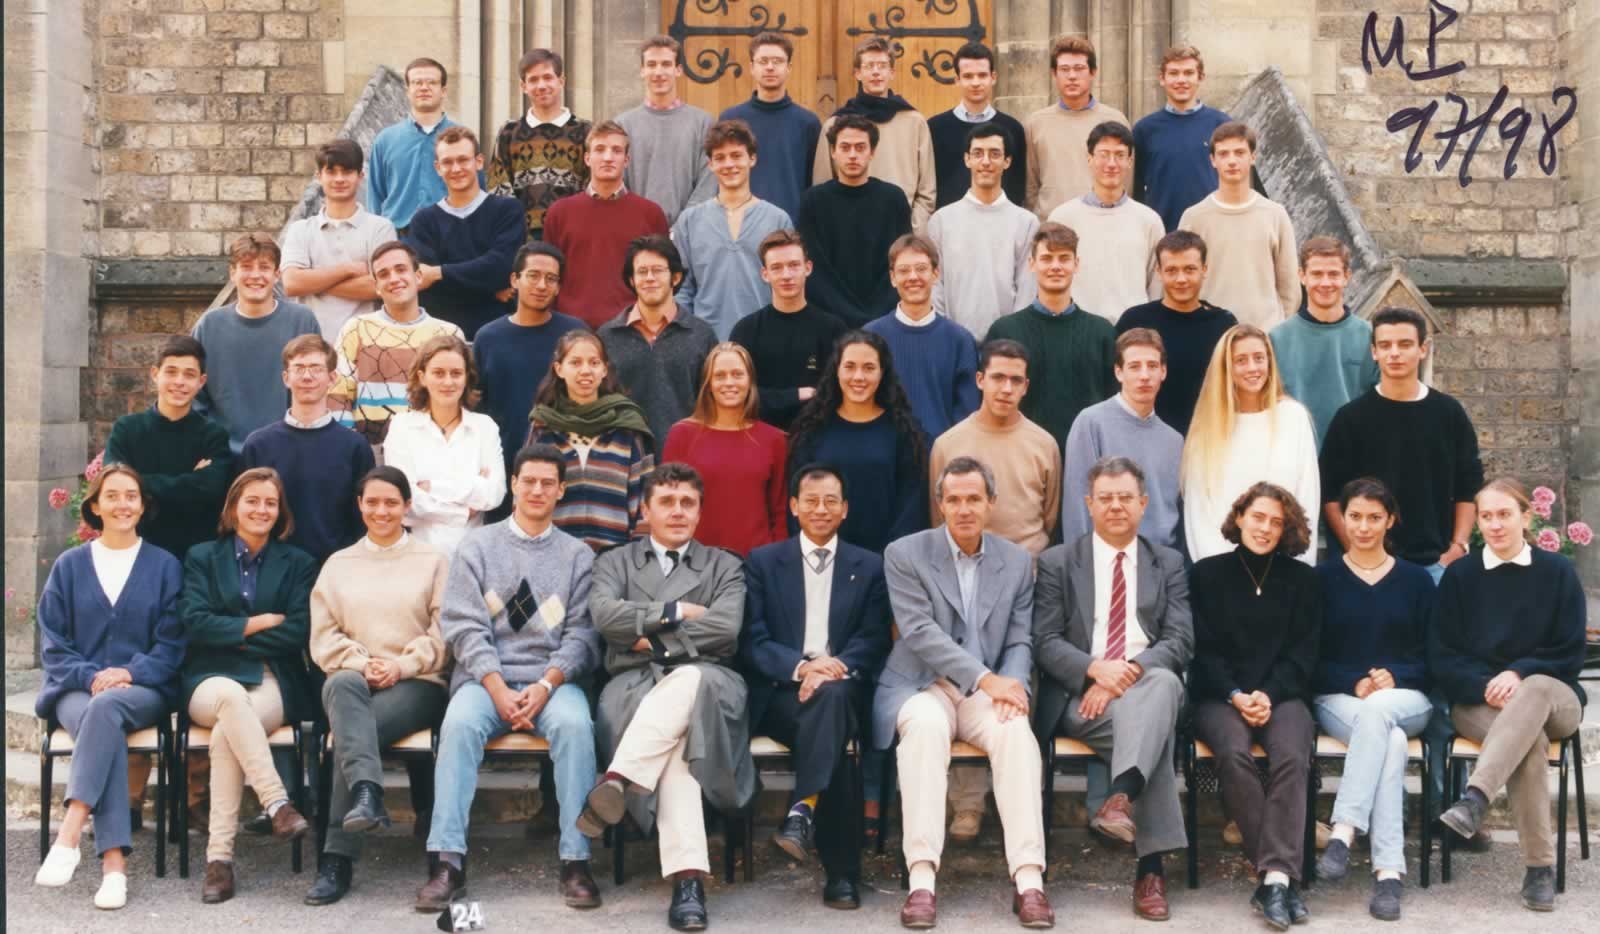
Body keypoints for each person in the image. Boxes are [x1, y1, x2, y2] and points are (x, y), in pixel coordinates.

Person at [414, 445, 605, 912]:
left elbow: (582, 635)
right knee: (459, 726)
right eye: (528, 481)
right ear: (514, 485)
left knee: (576, 727)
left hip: (552, 683)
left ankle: (576, 860)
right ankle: (447, 862)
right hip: (485, 682)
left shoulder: (578, 556)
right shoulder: (477, 547)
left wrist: (546, 685)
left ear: (561, 490)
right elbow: (463, 625)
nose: (537, 490)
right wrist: (496, 686)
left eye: (547, 483)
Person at [876, 457, 1053, 929]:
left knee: (1016, 733)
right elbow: (919, 632)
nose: (964, 508)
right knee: (924, 730)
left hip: (985, 691)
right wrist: (987, 679)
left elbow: (1020, 639)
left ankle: (1029, 880)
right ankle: (921, 880)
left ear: (992, 503)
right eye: (953, 499)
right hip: (922, 683)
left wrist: (1013, 689)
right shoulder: (904, 553)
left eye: (974, 498)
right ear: (940, 504)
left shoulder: (1016, 562)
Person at [578, 464, 754, 932]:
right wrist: (677, 610)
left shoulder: (724, 564)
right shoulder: (614, 562)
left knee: (690, 679)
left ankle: (619, 778)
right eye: (667, 502)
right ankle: (687, 882)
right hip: (634, 685)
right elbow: (605, 617)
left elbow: (726, 628)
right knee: (677, 746)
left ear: (700, 512)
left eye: (688, 503)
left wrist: (647, 638)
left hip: (711, 682)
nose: (678, 512)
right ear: (645, 511)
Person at [1033, 455, 1193, 921]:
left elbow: (1180, 640)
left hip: (1148, 683)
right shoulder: (1058, 562)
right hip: (1083, 699)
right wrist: (1095, 671)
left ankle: (1121, 797)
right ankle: (1150, 870)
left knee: (1161, 684)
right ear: (1089, 504)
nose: (1116, 506)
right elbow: (1044, 641)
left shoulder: (1168, 563)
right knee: (1156, 732)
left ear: (1143, 503)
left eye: (1126, 497)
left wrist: (1128, 673)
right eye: (1106, 498)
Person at [740, 462, 892, 908]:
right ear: (793, 506)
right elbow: (753, 640)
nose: (821, 509)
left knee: (835, 702)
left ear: (845, 509)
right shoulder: (763, 562)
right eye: (811, 501)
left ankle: (802, 808)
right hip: (781, 694)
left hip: (842, 685)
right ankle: (841, 874)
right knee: (836, 738)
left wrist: (833, 667)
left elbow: (874, 638)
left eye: (830, 501)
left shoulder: (869, 565)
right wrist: (803, 669)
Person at [32, 465, 185, 909]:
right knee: (103, 720)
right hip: (74, 689)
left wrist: (128, 673)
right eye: (112, 496)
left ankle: (71, 830)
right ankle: (113, 867)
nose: (123, 504)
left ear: (142, 505)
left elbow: (172, 643)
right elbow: (53, 644)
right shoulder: (69, 566)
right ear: (95, 506)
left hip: (143, 688)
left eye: (131, 495)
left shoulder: (164, 566)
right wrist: (90, 677)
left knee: (107, 710)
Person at [1433, 478, 1588, 913]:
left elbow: (1571, 652)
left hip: (1554, 696)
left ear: (1526, 516)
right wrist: (1488, 685)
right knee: (1528, 741)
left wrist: (1519, 673)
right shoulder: (1461, 576)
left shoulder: (1557, 572)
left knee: (1533, 689)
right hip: (1479, 702)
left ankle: (1475, 798)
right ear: (1478, 522)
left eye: (1505, 514)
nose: (1496, 524)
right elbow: (1442, 655)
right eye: (1486, 516)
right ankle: (1539, 870)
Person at [303, 466, 450, 906]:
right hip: (355, 680)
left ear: (407, 506)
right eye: (372, 502)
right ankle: (366, 794)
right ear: (359, 505)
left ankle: (336, 858)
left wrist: (401, 666)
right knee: (341, 685)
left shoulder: (433, 561)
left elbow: (445, 633)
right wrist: (362, 663)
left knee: (350, 734)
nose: (381, 511)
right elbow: (323, 637)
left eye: (391, 502)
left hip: (417, 683)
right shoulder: (338, 564)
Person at [178, 467, 318, 904]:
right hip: (209, 678)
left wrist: (232, 634)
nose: (261, 510)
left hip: (271, 676)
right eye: (252, 501)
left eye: (270, 503)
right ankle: (277, 803)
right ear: (233, 507)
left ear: (281, 512)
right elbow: (195, 623)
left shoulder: (298, 563)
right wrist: (257, 623)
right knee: (229, 698)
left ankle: (219, 860)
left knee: (228, 731)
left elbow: (296, 631)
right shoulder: (202, 556)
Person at [1189, 482, 1321, 930]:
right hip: (1220, 696)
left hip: (1282, 695)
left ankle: (1274, 880)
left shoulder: (1303, 580)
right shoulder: (1206, 574)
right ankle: (1278, 877)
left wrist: (1268, 694)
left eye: (1276, 522)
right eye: (1258, 517)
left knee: (1292, 756)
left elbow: (1304, 653)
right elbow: (1202, 652)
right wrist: (1235, 694)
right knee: (1232, 753)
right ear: (1240, 516)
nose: (1265, 528)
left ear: (1287, 530)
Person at [1310, 477, 1436, 921]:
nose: (1363, 527)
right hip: (1339, 699)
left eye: (1374, 517)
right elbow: (1308, 657)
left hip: (1407, 699)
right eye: (1355, 516)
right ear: (1341, 519)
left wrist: (1396, 675)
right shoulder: (1321, 580)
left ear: (1391, 521)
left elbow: (1436, 656)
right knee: (1391, 741)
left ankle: (1344, 829)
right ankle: (1388, 873)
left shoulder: (1417, 581)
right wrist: (1354, 682)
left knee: (1381, 712)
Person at [1320, 306, 1483, 580]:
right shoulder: (1350, 418)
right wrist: (1358, 553)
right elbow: (1331, 495)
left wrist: (1458, 547)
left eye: (1405, 344)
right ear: (1374, 352)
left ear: (1423, 349)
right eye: (1385, 345)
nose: (1394, 353)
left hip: (1436, 565)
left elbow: (1469, 486)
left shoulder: (1448, 413)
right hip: (1368, 568)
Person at [1182, 324, 1319, 563]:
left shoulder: (1293, 417)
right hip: (1223, 570)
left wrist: (1298, 567)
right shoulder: (1206, 429)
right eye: (1241, 360)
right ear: (1226, 367)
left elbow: (1307, 497)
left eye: (1259, 358)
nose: (1253, 368)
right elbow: (1199, 514)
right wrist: (1219, 572)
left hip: (1285, 567)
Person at [787, 330, 928, 556]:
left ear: (882, 373)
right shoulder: (812, 430)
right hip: (824, 560)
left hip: (885, 561)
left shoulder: (903, 431)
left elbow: (911, 506)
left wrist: (891, 559)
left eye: (869, 368)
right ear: (837, 370)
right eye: (850, 367)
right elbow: (797, 500)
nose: (859, 377)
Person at [239, 334, 376, 565]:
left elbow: (362, 519)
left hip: (336, 568)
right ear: (286, 378)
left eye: (316, 368)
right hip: (273, 569)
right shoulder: (258, 445)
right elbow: (243, 516)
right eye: (299, 368)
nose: (307, 376)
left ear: (332, 378)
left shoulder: (355, 447)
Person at [983, 223, 1118, 452]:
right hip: (1022, 454)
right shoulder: (1005, 331)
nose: (1056, 266)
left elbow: (1112, 405)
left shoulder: (1102, 333)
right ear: (1032, 264)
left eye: (1064, 258)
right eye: (1047, 258)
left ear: (1076, 264)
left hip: (1088, 455)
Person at [473, 242, 587, 512]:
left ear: (558, 287)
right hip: (504, 464)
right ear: (515, 279)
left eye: (551, 279)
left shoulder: (575, 334)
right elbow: (478, 406)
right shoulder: (488, 338)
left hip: (566, 466)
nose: (541, 285)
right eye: (533, 275)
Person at [104, 335, 234, 562]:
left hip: (194, 559)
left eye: (189, 374)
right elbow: (116, 487)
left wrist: (140, 482)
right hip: (137, 553)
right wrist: (191, 480)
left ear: (201, 381)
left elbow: (211, 490)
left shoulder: (214, 436)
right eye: (171, 372)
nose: (179, 382)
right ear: (155, 374)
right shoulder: (127, 430)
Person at [525, 329, 655, 551]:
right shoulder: (542, 427)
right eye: (575, 362)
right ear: (559, 369)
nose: (585, 370)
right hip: (552, 557)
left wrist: (636, 560)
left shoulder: (628, 427)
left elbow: (647, 501)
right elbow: (524, 498)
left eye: (594, 363)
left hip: (615, 560)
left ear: (604, 369)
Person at [191, 233, 321, 454]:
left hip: (287, 451)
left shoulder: (302, 321)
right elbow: (195, 398)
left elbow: (317, 390)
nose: (255, 275)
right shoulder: (209, 326)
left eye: (264, 267)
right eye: (246, 267)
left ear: (277, 274)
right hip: (222, 456)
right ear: (233, 273)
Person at [928, 340, 1059, 556]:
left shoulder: (1044, 444)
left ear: (1025, 387)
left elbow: (1050, 519)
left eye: (1015, 380)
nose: (1007, 389)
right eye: (998, 378)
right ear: (980, 380)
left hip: (1029, 568)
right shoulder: (947, 445)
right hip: (966, 566)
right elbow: (939, 518)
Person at [329, 240, 465, 447]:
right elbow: (338, 395)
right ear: (376, 286)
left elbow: (460, 400)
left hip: (433, 449)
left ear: (418, 276)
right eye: (383, 274)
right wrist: (349, 449)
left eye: (401, 270)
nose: (394, 279)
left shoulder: (448, 334)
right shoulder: (356, 329)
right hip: (370, 452)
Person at [381, 335, 506, 558]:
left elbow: (494, 494)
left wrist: (432, 487)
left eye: (456, 373)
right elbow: (405, 501)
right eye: (438, 373)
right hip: (417, 556)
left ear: (467, 377)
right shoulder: (402, 427)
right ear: (422, 377)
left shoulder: (485, 427)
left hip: (473, 556)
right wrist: (467, 504)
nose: (448, 382)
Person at [1061, 329, 1184, 549]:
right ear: (1119, 372)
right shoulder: (1091, 423)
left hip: (1160, 561)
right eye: (1134, 366)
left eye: (1152, 366)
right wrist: (1080, 562)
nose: (1144, 375)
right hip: (1106, 558)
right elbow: (1077, 507)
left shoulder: (1174, 441)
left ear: (1163, 371)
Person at [543, 121, 672, 328]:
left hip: (632, 328)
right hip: (572, 328)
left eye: (616, 150)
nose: (608, 157)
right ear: (587, 158)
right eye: (600, 149)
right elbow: (549, 275)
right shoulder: (559, 213)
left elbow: (662, 279)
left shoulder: (651, 214)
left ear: (626, 160)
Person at [672, 119, 793, 339]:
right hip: (707, 342)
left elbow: (789, 286)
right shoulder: (690, 221)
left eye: (736, 155)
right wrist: (689, 338)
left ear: (752, 158)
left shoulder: (777, 220)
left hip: (764, 339)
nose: (729, 164)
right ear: (710, 164)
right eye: (720, 158)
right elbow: (682, 289)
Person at [662, 343, 787, 556]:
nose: (729, 382)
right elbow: (667, 504)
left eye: (737, 374)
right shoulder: (682, 435)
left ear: (750, 381)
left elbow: (780, 511)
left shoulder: (775, 440)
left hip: (755, 563)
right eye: (720, 376)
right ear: (708, 384)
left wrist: (774, 561)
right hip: (696, 562)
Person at [404, 126, 525, 340]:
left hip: (496, 335)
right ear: (438, 168)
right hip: (441, 337)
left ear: (478, 162)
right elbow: (426, 287)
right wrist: (490, 289)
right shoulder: (423, 221)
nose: (456, 168)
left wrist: (439, 273)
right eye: (447, 162)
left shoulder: (508, 210)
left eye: (463, 160)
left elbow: (501, 267)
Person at [596, 234, 720, 445]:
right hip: (623, 454)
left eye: (658, 270)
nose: (649, 278)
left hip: (685, 455)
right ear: (632, 280)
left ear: (676, 277)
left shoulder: (702, 335)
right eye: (642, 271)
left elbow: (713, 405)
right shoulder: (606, 337)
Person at [1177, 122, 1298, 331]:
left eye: (1240, 153)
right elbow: (1182, 280)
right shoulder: (1194, 217)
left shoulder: (1275, 214)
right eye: (1223, 154)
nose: (1232, 161)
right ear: (1213, 160)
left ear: (1253, 157)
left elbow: (1290, 286)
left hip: (1264, 334)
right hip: (1210, 334)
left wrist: (1278, 329)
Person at [1116, 230, 1239, 435]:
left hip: (1207, 439)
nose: (1181, 279)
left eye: (1190, 269)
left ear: (1204, 269)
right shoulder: (1135, 321)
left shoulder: (1223, 324)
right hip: (1144, 437)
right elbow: (1116, 385)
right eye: (1171, 270)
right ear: (1159, 271)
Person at [797, 115, 913, 326]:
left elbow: (901, 261)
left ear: (872, 152)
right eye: (845, 147)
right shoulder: (813, 202)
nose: (852, 155)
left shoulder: (893, 200)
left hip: (883, 321)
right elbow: (814, 270)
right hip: (829, 321)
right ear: (833, 151)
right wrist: (847, 315)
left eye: (860, 148)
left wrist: (874, 317)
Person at [729, 228, 848, 431]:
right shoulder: (746, 331)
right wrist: (797, 395)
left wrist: (772, 398)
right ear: (765, 274)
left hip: (818, 438)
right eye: (776, 268)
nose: (786, 275)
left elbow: (840, 393)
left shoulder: (833, 329)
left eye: (794, 265)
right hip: (759, 438)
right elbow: (739, 394)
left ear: (808, 268)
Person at [927, 122, 1039, 337]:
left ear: (1007, 161)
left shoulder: (1026, 223)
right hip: (953, 340)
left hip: (1007, 342)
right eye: (978, 153)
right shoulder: (942, 221)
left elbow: (1027, 290)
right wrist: (945, 334)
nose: (985, 161)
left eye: (994, 154)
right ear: (967, 159)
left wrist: (1013, 338)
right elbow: (935, 287)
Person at [812, 36, 936, 229]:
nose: (876, 72)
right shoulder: (835, 125)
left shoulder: (914, 122)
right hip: (848, 227)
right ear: (858, 73)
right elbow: (822, 186)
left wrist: (911, 229)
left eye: (882, 66)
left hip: (900, 228)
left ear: (892, 72)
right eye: (869, 66)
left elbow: (927, 190)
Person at [864, 234, 980, 440]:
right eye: (903, 270)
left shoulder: (960, 341)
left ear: (935, 274)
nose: (913, 277)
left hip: (943, 455)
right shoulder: (870, 338)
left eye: (921, 269)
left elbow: (967, 415)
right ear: (892, 278)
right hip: (885, 452)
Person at [280, 139, 399, 337]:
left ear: (360, 176)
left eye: (347, 171)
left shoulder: (381, 228)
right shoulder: (300, 230)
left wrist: (312, 281)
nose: (339, 179)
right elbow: (292, 283)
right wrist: (348, 269)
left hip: (365, 343)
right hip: (312, 345)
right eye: (331, 171)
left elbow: (379, 286)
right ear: (319, 176)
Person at [1047, 122, 1163, 324]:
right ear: (1089, 159)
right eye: (1103, 154)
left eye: (1119, 155)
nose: (1111, 163)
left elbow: (1157, 285)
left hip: (1133, 331)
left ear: (1130, 161)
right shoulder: (1062, 218)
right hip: (1077, 328)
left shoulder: (1149, 220)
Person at [1269, 236, 1379, 448]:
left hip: (1355, 454)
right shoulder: (1277, 339)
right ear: (1302, 276)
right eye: (1317, 274)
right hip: (1296, 454)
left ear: (1347, 277)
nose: (1326, 283)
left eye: (1334, 274)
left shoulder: (1370, 337)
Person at [488, 48, 591, 242]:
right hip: (522, 242)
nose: (541, 86)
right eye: (533, 80)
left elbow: (591, 186)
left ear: (561, 81)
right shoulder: (509, 132)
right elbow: (498, 188)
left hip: (572, 238)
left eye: (548, 77)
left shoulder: (585, 132)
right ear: (523, 86)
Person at [719, 31, 821, 220]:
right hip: (740, 222)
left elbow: (812, 184)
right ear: (752, 67)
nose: (770, 67)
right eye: (763, 61)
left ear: (789, 67)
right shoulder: (731, 119)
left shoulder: (807, 123)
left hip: (790, 226)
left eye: (777, 61)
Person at [1025, 36, 1129, 219]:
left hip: (1103, 222)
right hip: (1052, 226)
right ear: (1054, 73)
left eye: (1079, 68)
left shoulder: (1115, 120)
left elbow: (1126, 179)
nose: (1072, 76)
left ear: (1093, 72)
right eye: (1064, 69)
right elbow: (1030, 185)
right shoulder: (1036, 123)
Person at [615, 36, 715, 225]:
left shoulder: (703, 123)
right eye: (651, 65)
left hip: (690, 232)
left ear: (678, 70)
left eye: (666, 64)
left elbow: (708, 183)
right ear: (642, 70)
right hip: (636, 230)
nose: (658, 72)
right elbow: (617, 183)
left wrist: (682, 228)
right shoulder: (622, 125)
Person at [1132, 45, 1233, 232]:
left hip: (1212, 230)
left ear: (1200, 77)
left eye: (1188, 73)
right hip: (1162, 233)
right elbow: (1136, 189)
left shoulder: (1221, 125)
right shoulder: (1144, 130)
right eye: (1173, 73)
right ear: (1162, 79)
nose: (1181, 80)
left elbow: (1236, 180)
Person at [368, 57, 465, 233]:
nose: (424, 88)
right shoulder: (385, 140)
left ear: (443, 91)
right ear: (407, 91)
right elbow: (375, 196)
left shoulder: (463, 138)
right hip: (398, 238)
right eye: (417, 82)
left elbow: (475, 193)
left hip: (450, 236)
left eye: (431, 82)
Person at [927, 42, 1026, 209]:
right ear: (957, 80)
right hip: (950, 220)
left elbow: (1018, 186)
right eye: (968, 76)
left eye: (982, 75)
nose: (975, 82)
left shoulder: (1013, 128)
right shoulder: (934, 128)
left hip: (1000, 219)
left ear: (993, 78)